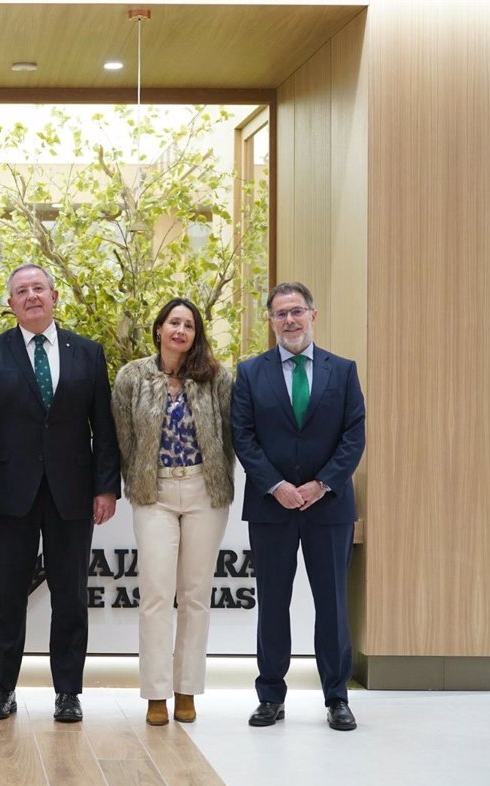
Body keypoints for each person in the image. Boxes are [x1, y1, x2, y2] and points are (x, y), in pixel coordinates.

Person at [0, 263, 121, 723]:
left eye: (38, 289)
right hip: (9, 495)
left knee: (70, 596)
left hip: (72, 494)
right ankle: (3, 690)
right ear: (10, 304)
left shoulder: (87, 353)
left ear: (54, 296)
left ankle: (68, 692)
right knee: (8, 595)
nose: (31, 296)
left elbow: (103, 428)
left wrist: (106, 486)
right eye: (21, 291)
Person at [231, 282, 366, 732]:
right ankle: (270, 695)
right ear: (270, 321)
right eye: (280, 314)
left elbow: (354, 435)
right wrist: (276, 486)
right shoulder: (250, 373)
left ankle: (337, 697)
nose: (289, 321)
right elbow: (243, 437)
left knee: (332, 604)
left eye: (297, 312)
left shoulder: (343, 371)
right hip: (273, 508)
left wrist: (322, 484)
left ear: (314, 314)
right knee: (273, 603)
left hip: (329, 507)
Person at [111, 298, 234, 727]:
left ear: (196, 334)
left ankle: (186, 691)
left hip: (204, 490)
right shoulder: (132, 376)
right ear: (159, 329)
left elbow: (229, 435)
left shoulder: (217, 378)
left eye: (189, 325)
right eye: (173, 323)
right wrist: (138, 478)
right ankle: (156, 694)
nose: (181, 330)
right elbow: (122, 438)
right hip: (155, 492)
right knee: (157, 595)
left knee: (196, 596)